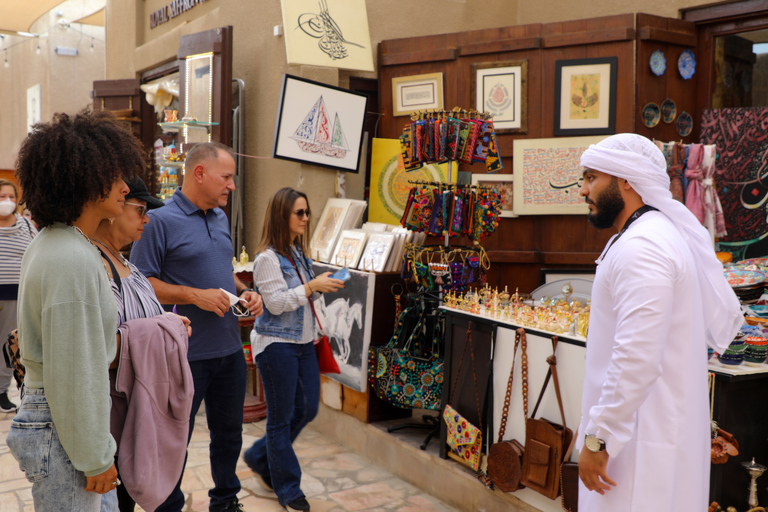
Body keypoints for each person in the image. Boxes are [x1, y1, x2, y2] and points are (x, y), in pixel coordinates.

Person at [576, 134, 743, 511]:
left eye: (591, 178)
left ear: (625, 180)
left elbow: (636, 355)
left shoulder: (644, 247)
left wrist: (598, 439)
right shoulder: (644, 236)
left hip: (642, 445)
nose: (583, 189)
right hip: (644, 433)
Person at [8, 109, 147, 512]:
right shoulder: (72, 257)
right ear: (86, 179)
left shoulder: (55, 242)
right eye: (115, 176)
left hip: (55, 420)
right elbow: (74, 372)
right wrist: (95, 457)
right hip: (62, 426)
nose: (125, 188)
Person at [130, 141, 263, 512]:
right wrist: (195, 295)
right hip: (184, 355)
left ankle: (225, 502)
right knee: (175, 440)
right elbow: (141, 282)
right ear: (199, 174)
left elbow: (221, 271)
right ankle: (168, 505)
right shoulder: (158, 221)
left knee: (229, 436)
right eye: (227, 177)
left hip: (229, 350)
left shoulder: (220, 218)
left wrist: (245, 291)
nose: (231, 186)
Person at [243, 187, 344, 511]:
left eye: (307, 212)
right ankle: (288, 489)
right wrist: (311, 286)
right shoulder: (266, 259)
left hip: (303, 343)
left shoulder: (298, 254)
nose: (305, 218)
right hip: (276, 346)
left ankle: (259, 456)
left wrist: (321, 283)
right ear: (281, 216)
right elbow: (274, 303)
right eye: (299, 213)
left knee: (307, 409)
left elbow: (300, 297)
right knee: (281, 419)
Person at [93, 177, 191, 512]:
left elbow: (145, 322)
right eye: (140, 209)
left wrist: (172, 327)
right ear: (112, 209)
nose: (146, 219)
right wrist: (167, 330)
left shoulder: (129, 266)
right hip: (114, 420)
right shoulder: (94, 266)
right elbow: (100, 347)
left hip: (140, 410)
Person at [0, 179, 37, 411]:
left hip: (16, 293)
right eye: (2, 196)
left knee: (8, 344)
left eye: (12, 197)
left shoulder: (26, 225)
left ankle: (2, 391)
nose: (7, 202)